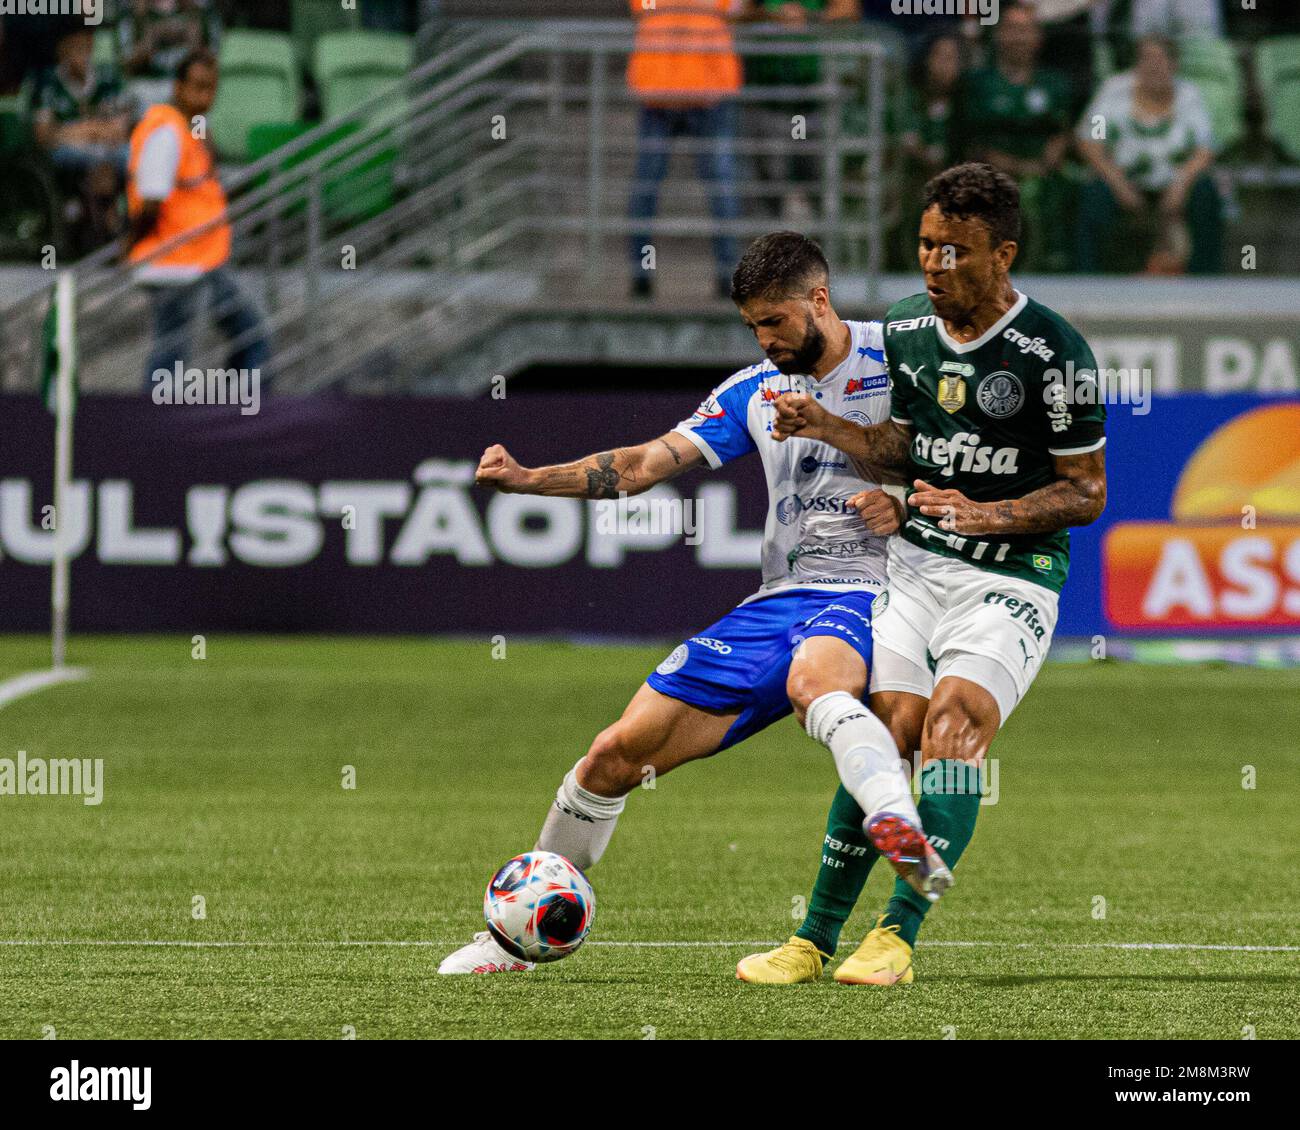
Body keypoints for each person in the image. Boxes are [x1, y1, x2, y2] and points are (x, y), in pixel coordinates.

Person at [439, 231, 951, 976]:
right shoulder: (754, 389)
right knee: (613, 755)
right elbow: (646, 463)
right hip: (783, 598)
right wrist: (529, 479)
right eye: (753, 327)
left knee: (817, 682)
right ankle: (515, 939)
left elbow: (942, 455)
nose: (766, 340)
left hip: (888, 587)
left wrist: (900, 500)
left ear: (820, 299)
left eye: (776, 322)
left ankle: (891, 816)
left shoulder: (902, 356)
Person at [737, 163, 1106, 985]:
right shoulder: (906, 330)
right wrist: (829, 425)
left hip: (1013, 574)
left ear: (1002, 254)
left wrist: (989, 514)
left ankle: (896, 936)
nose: (935, 267)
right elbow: (905, 446)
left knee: (954, 724)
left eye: (957, 252)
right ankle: (810, 940)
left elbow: (1086, 493)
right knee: (886, 728)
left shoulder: (1057, 354)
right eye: (926, 246)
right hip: (917, 568)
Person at [126, 49, 270, 391]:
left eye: (211, 88)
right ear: (178, 87)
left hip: (201, 259)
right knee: (171, 353)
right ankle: (158, 427)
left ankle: (240, 410)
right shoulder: (166, 132)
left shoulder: (190, 131)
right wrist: (130, 244)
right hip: (174, 262)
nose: (205, 97)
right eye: (197, 87)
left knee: (248, 335)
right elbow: (150, 201)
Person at [626, 0, 744, 301]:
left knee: (717, 186)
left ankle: (724, 274)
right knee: (718, 185)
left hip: (688, 87)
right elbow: (736, 12)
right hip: (681, 87)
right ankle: (723, 275)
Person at [1075, 35, 1222, 274]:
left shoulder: (1189, 95)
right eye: (1146, 58)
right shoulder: (1114, 90)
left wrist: (1181, 184)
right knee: (1094, 195)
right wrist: (1117, 183)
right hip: (1123, 179)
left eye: (1160, 59)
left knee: (1206, 192)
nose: (1153, 65)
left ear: (1174, 64)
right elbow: (1090, 142)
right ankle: (1089, 277)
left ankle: (1205, 277)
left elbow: (1205, 149)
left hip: (1173, 183)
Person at [955, 2, 1074, 270]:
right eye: (1011, 29)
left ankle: (1060, 262)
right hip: (992, 169)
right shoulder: (978, 83)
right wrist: (1011, 166)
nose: (1018, 36)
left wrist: (1052, 155)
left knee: (1070, 187)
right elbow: (972, 137)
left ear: (1038, 38)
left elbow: (1063, 130)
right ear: (997, 36)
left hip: (1044, 171)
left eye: (1025, 29)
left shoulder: (1055, 83)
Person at [743, 0, 860, 226]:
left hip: (809, 99)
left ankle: (819, 245)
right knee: (771, 176)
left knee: (813, 172)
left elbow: (849, 10)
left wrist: (808, 17)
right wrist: (772, 16)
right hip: (769, 97)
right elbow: (739, 13)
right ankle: (768, 245)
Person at [32, 25, 132, 248]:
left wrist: (76, 130)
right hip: (66, 152)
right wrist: (91, 129)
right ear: (62, 50)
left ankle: (114, 221)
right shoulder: (47, 82)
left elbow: (119, 130)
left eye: (86, 46)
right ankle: (105, 223)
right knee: (95, 160)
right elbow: (45, 135)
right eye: (75, 47)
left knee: (132, 155)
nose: (82, 52)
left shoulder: (107, 78)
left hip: (108, 147)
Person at [118, 0, 222, 113]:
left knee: (198, 103)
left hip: (186, 86)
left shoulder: (200, 9)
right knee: (138, 98)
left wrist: (192, 34)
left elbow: (211, 61)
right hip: (147, 86)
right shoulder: (133, 11)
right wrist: (152, 36)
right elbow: (126, 65)